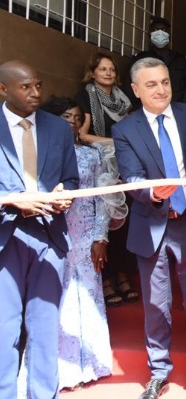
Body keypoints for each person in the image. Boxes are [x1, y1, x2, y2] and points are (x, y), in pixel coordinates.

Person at [112, 58, 186, 399]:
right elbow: (129, 175)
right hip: (152, 221)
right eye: (152, 84)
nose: (161, 90)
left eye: (165, 82)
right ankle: (158, 370)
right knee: (156, 305)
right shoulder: (125, 130)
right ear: (136, 90)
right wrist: (151, 192)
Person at [0, 60, 78, 398]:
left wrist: (64, 195)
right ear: (3, 89)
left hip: (49, 236)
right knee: (4, 331)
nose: (35, 93)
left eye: (38, 85)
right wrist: (13, 200)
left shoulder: (58, 129)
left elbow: (71, 178)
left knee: (45, 328)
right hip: (6, 237)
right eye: (25, 87)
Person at [38, 96, 114, 390]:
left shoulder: (92, 155)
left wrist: (101, 236)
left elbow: (102, 200)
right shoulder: (43, 151)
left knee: (87, 295)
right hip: (51, 232)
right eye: (66, 116)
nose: (72, 121)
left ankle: (91, 363)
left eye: (77, 117)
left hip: (84, 234)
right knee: (56, 295)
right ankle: (60, 369)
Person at [75, 52, 138, 307]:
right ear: (93, 72)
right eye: (103, 69)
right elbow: (82, 134)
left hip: (124, 163)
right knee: (107, 221)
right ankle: (108, 279)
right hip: (101, 164)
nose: (109, 73)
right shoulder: (86, 95)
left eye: (112, 69)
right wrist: (116, 143)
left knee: (123, 222)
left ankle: (122, 274)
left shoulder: (122, 98)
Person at [127, 16, 186, 106]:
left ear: (169, 34)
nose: (160, 32)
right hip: (147, 110)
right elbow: (130, 86)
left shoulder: (181, 60)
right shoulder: (139, 60)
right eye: (156, 29)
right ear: (149, 33)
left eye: (163, 29)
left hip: (177, 111)